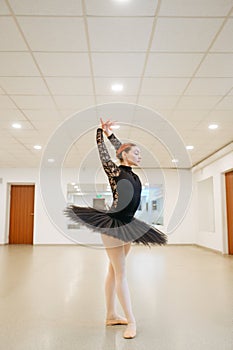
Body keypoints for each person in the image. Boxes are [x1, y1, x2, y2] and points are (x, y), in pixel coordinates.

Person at [65, 118, 167, 339]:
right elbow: (104, 152)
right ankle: (131, 321)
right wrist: (101, 133)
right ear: (124, 155)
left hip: (129, 224)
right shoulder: (114, 172)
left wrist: (113, 135)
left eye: (141, 153)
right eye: (136, 153)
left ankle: (111, 315)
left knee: (113, 271)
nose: (140, 156)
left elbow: (121, 148)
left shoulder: (135, 175)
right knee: (121, 274)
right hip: (113, 225)